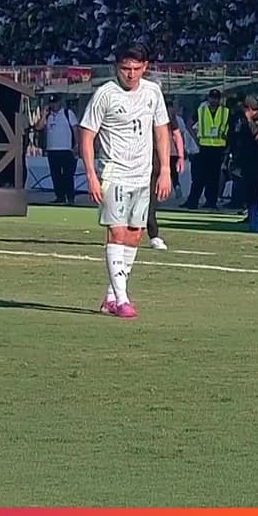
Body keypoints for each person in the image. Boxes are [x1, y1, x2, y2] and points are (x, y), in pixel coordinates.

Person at [79, 43, 171, 319]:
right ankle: (122, 299)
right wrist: (91, 175)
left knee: (135, 234)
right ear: (116, 68)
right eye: (125, 69)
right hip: (113, 173)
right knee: (117, 233)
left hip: (142, 174)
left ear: (145, 67)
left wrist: (165, 169)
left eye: (136, 69)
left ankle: (111, 296)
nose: (130, 74)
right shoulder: (105, 94)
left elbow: (161, 131)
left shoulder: (153, 92)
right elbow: (87, 134)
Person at [146, 101, 185, 251]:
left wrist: (180, 156)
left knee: (151, 200)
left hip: (155, 161)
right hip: (136, 160)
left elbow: (176, 134)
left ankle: (153, 234)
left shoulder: (164, 113)